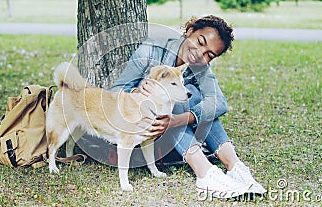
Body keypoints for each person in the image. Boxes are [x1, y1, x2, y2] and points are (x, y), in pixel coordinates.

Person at [109, 15, 266, 198]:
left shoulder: (199, 66)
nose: (200, 53)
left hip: (172, 131)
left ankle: (234, 166)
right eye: (200, 42)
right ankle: (204, 172)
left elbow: (219, 102)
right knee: (171, 95)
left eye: (209, 54)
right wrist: (138, 92)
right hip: (140, 135)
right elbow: (116, 92)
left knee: (194, 94)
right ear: (190, 31)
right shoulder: (151, 50)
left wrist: (180, 120)